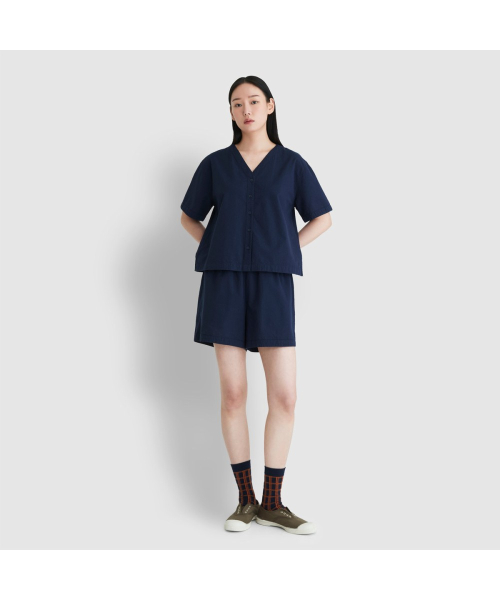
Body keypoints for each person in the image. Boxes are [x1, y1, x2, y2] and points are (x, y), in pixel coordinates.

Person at [180, 76, 332, 535]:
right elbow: (188, 215)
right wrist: (216, 248)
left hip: (273, 285)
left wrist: (285, 249)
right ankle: (245, 501)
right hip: (223, 284)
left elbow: (322, 217)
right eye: (236, 104)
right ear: (230, 112)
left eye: (253, 101)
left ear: (270, 106)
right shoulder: (215, 165)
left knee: (284, 396)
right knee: (233, 394)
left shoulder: (292, 165)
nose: (245, 110)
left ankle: (273, 503)